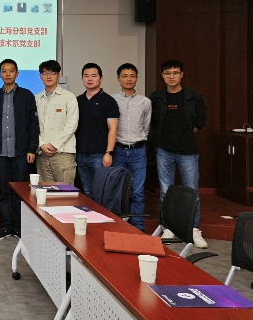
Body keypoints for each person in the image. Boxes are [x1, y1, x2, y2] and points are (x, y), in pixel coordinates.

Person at [150, 59, 208, 248]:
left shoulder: (193, 95)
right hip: (164, 150)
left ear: (181, 75)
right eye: (168, 73)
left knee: (191, 190)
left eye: (175, 73)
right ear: (162, 76)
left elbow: (201, 118)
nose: (171, 76)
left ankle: (194, 229)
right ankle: (168, 227)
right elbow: (154, 121)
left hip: (188, 150)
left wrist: (189, 133)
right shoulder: (157, 97)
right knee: (165, 191)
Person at [0, 59, 39, 240]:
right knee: (4, 191)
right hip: (1, 152)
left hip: (20, 152)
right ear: (0, 75)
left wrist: (32, 149)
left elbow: (33, 124)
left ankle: (19, 227)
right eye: (4, 71)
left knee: (20, 191)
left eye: (11, 71)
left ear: (17, 74)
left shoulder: (27, 95)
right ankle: (6, 226)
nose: (8, 74)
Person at [111, 63, 151, 232]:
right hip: (118, 150)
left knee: (138, 192)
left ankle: (138, 228)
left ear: (137, 78)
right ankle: (119, 227)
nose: (128, 79)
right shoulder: (112, 100)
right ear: (118, 78)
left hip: (138, 151)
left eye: (132, 76)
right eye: (125, 76)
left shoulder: (145, 102)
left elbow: (146, 127)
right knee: (117, 191)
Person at [75, 63, 119, 195]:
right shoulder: (77, 101)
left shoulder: (109, 101)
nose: (90, 79)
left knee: (102, 192)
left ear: (101, 78)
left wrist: (109, 152)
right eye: (86, 76)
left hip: (100, 155)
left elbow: (113, 128)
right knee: (87, 192)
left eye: (94, 76)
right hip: (80, 154)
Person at [34, 60, 79, 185]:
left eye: (53, 73)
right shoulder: (36, 99)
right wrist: (41, 145)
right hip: (42, 154)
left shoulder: (69, 97)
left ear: (58, 75)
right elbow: (32, 126)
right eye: (45, 73)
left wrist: (54, 145)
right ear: (40, 76)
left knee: (65, 193)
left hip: (63, 154)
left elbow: (72, 124)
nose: (48, 76)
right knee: (44, 193)